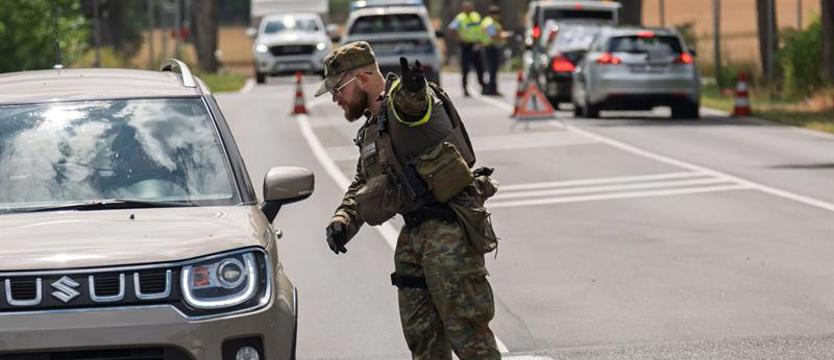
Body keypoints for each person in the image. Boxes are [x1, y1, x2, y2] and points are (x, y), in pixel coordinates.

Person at [314, 41, 502, 360]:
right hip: (413, 240)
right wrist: (343, 220)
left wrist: (413, 88)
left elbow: (414, 105)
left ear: (361, 79)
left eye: (337, 89)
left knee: (469, 337)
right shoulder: (373, 129)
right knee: (423, 340)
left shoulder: (402, 100)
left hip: (449, 236)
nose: (334, 98)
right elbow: (364, 181)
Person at [448, 1, 486, 97]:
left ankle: (483, 86)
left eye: (469, 7)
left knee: (480, 67)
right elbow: (451, 29)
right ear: (463, 8)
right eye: (466, 7)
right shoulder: (460, 18)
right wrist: (459, 38)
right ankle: (465, 89)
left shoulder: (476, 16)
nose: (468, 9)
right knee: (465, 68)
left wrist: (481, 41)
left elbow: (482, 29)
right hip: (466, 46)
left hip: (476, 44)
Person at [481, 5, 509, 96]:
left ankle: (491, 88)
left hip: (491, 47)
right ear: (493, 14)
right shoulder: (489, 23)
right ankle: (491, 89)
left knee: (493, 69)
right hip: (490, 47)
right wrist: (503, 36)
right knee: (492, 69)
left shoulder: (490, 22)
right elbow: (493, 35)